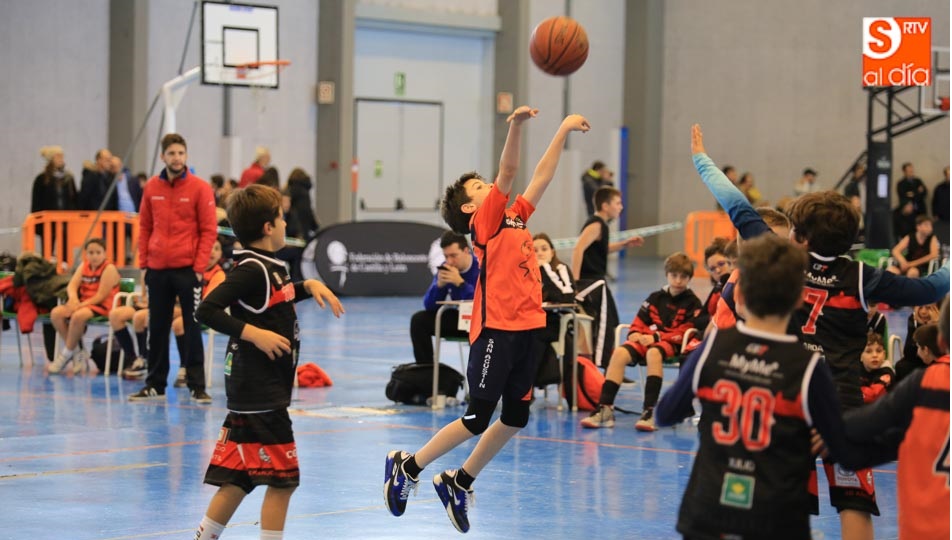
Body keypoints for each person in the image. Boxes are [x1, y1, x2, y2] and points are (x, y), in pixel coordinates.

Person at [691, 123, 949, 540]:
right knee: (854, 504)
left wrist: (701, 159)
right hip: (840, 408)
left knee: (785, 508)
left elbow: (735, 204)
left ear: (799, 236)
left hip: (788, 400)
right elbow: (931, 287)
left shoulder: (780, 258)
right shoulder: (864, 277)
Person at [383, 106, 590, 533]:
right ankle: (408, 467)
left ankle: (459, 481)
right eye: (481, 185)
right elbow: (511, 169)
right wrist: (514, 126)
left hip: (530, 328)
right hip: (498, 330)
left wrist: (563, 128)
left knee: (515, 417)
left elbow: (542, 176)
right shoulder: (485, 222)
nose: (491, 185)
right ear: (469, 205)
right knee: (478, 416)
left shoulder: (515, 216)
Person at [654, 234, 893, 540]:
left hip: (709, 506)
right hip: (776, 512)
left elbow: (665, 415)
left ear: (739, 297)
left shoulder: (712, 348)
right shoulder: (808, 368)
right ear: (798, 299)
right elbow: (845, 450)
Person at [192, 184, 344, 540]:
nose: (284, 221)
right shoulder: (251, 270)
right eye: (280, 216)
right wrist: (252, 333)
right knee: (284, 481)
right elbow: (207, 310)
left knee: (238, 476)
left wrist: (309, 285)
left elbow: (280, 296)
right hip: (260, 393)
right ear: (267, 227)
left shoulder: (271, 267)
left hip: (255, 392)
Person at [840, 299, 950, 539]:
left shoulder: (925, 383)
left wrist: (827, 429)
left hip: (927, 528)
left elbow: (868, 426)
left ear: (940, 340)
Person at [129, 133, 218, 403]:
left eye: (181, 153)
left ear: (186, 156)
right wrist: (144, 264)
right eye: (171, 153)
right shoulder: (152, 189)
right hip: (157, 269)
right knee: (156, 327)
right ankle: (155, 384)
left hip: (188, 270)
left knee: (191, 327)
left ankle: (196, 385)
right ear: (163, 157)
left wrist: (199, 267)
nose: (176, 158)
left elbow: (208, 230)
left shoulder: (200, 188)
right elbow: (144, 227)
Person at [580, 252, 707, 431]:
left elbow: (686, 331)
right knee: (619, 353)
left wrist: (656, 337)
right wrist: (635, 333)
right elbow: (640, 320)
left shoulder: (693, 303)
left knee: (653, 353)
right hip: (647, 340)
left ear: (689, 278)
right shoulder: (655, 297)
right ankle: (605, 408)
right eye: (674, 275)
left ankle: (649, 411)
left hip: (672, 344)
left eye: (683, 277)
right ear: (667, 275)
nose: (678, 280)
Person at [571, 186, 644, 366]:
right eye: (617, 203)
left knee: (610, 321)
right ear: (605, 205)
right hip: (592, 282)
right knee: (606, 322)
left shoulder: (602, 225)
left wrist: (625, 244)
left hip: (598, 280)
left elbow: (601, 249)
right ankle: (603, 363)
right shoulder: (596, 224)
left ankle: (608, 361)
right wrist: (574, 282)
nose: (621, 207)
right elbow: (578, 249)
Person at [48, 238, 120, 374]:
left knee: (78, 316)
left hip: (103, 306)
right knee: (56, 313)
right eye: (91, 252)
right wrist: (74, 300)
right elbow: (72, 286)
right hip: (83, 304)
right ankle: (77, 352)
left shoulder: (109, 269)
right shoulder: (83, 266)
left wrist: (79, 305)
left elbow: (101, 296)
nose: (94, 256)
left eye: (98, 252)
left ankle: (65, 355)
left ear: (105, 254)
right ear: (86, 254)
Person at [409, 230, 479, 365]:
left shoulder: (481, 266)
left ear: (466, 251)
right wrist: (439, 286)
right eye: (446, 256)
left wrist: (461, 284)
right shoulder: (446, 269)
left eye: (453, 256)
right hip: (461, 320)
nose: (449, 261)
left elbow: (483, 302)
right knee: (419, 320)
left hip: (482, 320)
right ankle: (426, 371)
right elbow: (429, 306)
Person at [31, 145, 77, 263]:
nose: (61, 159)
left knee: (65, 247)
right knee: (47, 249)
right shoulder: (41, 179)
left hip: (66, 220)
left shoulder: (68, 178)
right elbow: (36, 202)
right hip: (48, 221)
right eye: (58, 156)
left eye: (62, 156)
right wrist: (37, 224)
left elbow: (74, 199)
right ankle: (47, 269)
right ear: (51, 159)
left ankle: (65, 269)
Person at [894, 303, 940, 382]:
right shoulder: (913, 319)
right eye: (920, 307)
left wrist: (933, 325)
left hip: (936, 360)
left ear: (936, 309)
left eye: (928, 308)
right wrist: (920, 326)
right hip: (918, 359)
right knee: (901, 366)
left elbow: (939, 351)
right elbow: (908, 352)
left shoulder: (943, 321)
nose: (923, 312)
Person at [701, 237, 733, 320]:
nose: (718, 270)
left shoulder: (739, 288)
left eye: (721, 264)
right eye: (712, 269)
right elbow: (699, 320)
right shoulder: (717, 288)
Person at [859, 332, 894, 403]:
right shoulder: (855, 371)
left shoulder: (887, 373)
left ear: (884, 355)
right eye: (868, 351)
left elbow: (872, 396)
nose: (875, 355)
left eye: (878, 351)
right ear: (860, 356)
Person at [932, 165, 949, 245]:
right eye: (948, 174)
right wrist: (935, 214)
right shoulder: (939, 187)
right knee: (943, 238)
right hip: (942, 218)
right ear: (945, 175)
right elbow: (934, 201)